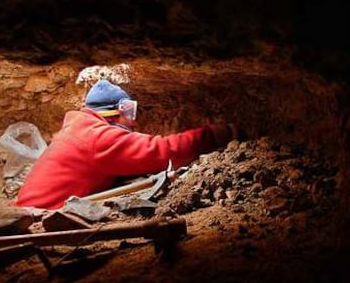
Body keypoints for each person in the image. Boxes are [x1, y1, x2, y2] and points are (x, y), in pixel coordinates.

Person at [14, 79, 241, 210]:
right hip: (39, 217)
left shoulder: (78, 129)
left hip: (28, 212)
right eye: (129, 112)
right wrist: (218, 134)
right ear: (115, 111)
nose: (134, 121)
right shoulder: (98, 137)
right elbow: (162, 151)